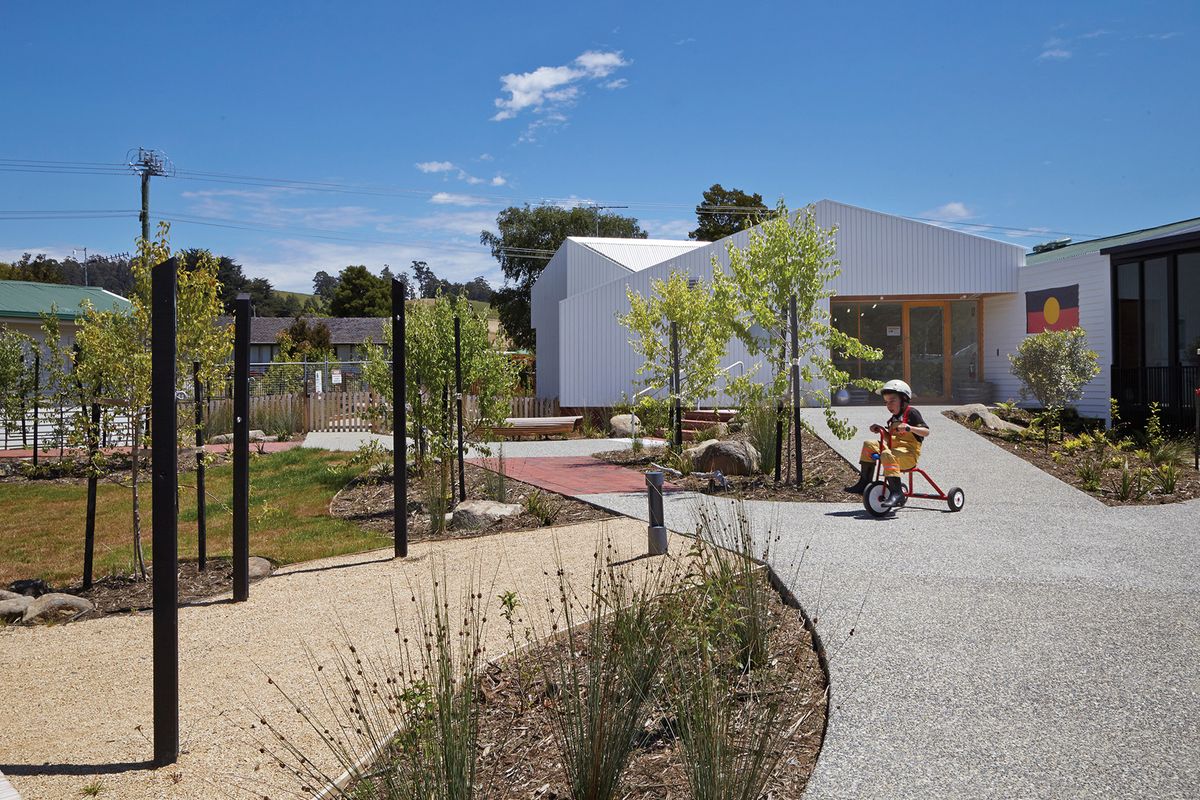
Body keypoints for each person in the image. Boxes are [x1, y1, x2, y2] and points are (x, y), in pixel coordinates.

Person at [843, 379, 931, 508]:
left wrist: (909, 428)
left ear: (904, 399)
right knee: (869, 444)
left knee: (887, 454)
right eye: (886, 402)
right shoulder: (893, 419)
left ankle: (897, 493)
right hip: (893, 451)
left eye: (892, 401)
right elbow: (890, 439)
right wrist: (881, 430)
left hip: (909, 455)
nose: (888, 405)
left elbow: (926, 432)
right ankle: (864, 483)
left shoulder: (912, 413)